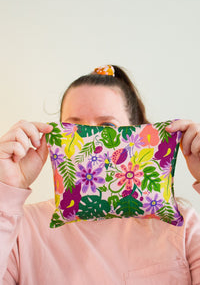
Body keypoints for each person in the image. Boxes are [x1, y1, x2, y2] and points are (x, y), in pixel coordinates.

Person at [0, 64, 200, 284]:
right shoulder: (22, 230)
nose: (91, 141)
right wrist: (7, 189)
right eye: (74, 127)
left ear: (139, 134)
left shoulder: (181, 228)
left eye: (107, 126)